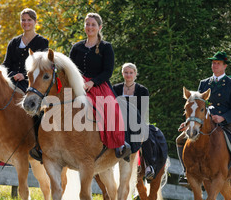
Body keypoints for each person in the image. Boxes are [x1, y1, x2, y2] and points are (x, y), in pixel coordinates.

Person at [176, 51, 231, 192]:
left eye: (218, 63)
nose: (215, 65)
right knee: (180, 139)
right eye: (213, 63)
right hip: (204, 122)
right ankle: (185, 172)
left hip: (226, 122)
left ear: (225, 66)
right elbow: (196, 105)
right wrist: (189, 121)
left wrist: (223, 117)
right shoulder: (204, 83)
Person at [69, 13, 131, 160]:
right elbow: (70, 69)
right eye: (87, 24)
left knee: (112, 108)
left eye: (93, 24)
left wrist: (92, 82)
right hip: (78, 84)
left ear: (99, 27)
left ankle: (119, 144)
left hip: (99, 84)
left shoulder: (105, 47)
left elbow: (108, 71)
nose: (90, 27)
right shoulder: (76, 47)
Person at [113, 63, 168, 181]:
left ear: (135, 74)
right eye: (126, 72)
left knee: (146, 135)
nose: (128, 75)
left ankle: (149, 166)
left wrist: (137, 123)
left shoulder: (143, 90)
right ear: (122, 74)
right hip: (119, 122)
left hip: (136, 121)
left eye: (131, 73)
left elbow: (143, 111)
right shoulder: (116, 89)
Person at [2, 8, 49, 92]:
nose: (26, 23)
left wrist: (24, 75)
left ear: (35, 21)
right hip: (11, 81)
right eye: (23, 20)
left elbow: (42, 68)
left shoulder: (42, 42)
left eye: (29, 20)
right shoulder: (13, 42)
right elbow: (6, 64)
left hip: (32, 83)